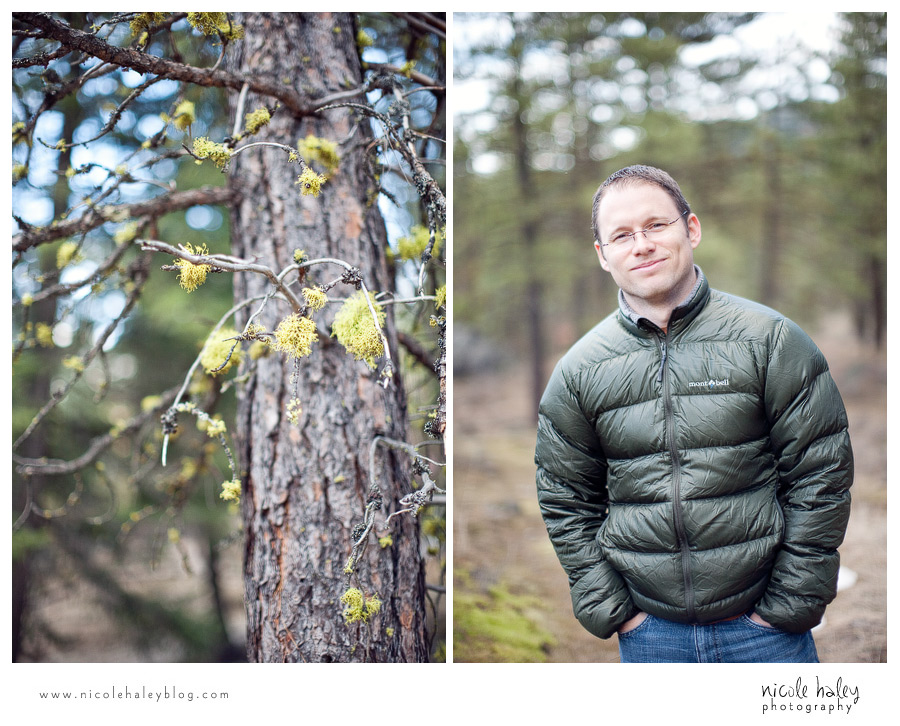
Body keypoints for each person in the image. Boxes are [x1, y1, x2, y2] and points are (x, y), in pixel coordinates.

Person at [534, 164, 853, 663]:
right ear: (602, 255)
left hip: (766, 634)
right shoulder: (579, 371)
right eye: (622, 235)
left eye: (656, 225)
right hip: (650, 637)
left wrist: (789, 604)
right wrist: (619, 612)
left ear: (692, 229)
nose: (642, 245)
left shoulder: (770, 340)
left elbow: (821, 474)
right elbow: (565, 499)